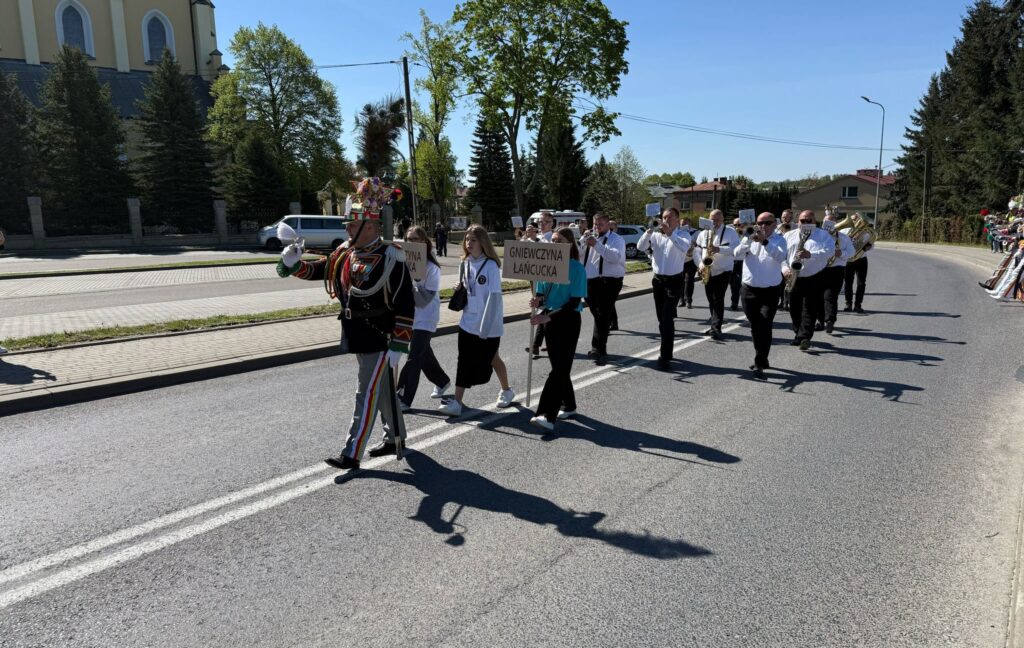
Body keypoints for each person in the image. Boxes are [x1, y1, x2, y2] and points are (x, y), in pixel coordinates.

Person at [276, 178, 412, 471]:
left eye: (353, 226)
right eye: (349, 226)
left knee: (365, 393)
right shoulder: (344, 254)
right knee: (381, 388)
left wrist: (400, 344)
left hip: (381, 338)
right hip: (357, 333)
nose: (347, 230)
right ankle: (395, 437)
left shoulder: (392, 258)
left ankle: (351, 453)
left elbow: (405, 305)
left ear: (372, 227)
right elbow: (318, 271)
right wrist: (292, 264)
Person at [438, 225, 512, 417]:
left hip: (487, 324)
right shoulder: (465, 262)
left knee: (492, 359)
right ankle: (457, 402)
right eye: (467, 239)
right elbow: (468, 289)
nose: (468, 243)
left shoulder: (491, 266)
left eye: (473, 240)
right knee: (463, 360)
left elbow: (494, 298)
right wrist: (458, 287)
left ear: (482, 242)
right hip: (467, 322)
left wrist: (485, 327)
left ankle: (506, 390)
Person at [529, 227, 588, 431]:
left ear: (570, 244)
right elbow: (543, 295)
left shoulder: (577, 268)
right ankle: (569, 405)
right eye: (553, 241)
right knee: (560, 369)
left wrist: (547, 315)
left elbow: (574, 302)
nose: (555, 245)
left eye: (560, 241)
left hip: (569, 320)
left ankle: (546, 414)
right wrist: (538, 300)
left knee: (559, 369)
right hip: (550, 321)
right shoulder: (545, 266)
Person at [396, 226, 452, 410]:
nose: (411, 243)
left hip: (425, 317)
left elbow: (423, 300)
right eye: (408, 239)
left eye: (415, 239)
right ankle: (442, 381)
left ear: (424, 242)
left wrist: (412, 283)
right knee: (423, 353)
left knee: (414, 357)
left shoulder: (431, 267)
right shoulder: (403, 263)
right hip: (409, 316)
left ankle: (403, 397)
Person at [733, 212, 787, 379]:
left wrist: (764, 242)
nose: (763, 226)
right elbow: (736, 254)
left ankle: (759, 362)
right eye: (760, 223)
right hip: (749, 289)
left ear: (774, 223)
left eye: (767, 223)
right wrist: (748, 239)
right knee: (755, 326)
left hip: (770, 291)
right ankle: (763, 357)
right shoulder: (749, 237)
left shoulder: (780, 240)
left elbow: (780, 256)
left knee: (765, 324)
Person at [637, 207, 691, 370]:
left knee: (667, 318)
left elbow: (684, 248)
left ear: (677, 219)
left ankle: (665, 355)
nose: (666, 220)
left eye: (669, 217)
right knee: (662, 320)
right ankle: (668, 349)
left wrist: (670, 234)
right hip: (658, 280)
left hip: (674, 280)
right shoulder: (655, 234)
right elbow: (640, 247)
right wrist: (648, 232)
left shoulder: (683, 235)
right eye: (664, 217)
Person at [782, 210, 833, 351]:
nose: (805, 223)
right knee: (794, 308)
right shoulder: (788, 235)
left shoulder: (823, 235)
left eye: (809, 220)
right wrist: (784, 269)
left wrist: (811, 254)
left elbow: (830, 251)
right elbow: (782, 256)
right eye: (802, 220)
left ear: (814, 221)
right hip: (793, 276)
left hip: (814, 277)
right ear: (798, 221)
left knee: (809, 308)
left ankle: (805, 337)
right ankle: (798, 333)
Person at [580, 212, 626, 363]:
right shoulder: (589, 237)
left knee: (602, 313)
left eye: (600, 224)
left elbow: (614, 257)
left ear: (608, 224)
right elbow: (579, 255)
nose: (596, 227)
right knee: (599, 315)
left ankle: (597, 349)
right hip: (590, 281)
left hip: (610, 281)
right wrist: (582, 242)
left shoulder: (616, 239)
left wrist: (597, 245)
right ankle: (601, 348)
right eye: (594, 224)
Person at [691, 209, 740, 340]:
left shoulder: (730, 232)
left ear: (723, 219)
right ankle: (714, 323)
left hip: (724, 270)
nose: (715, 222)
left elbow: (736, 250)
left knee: (718, 298)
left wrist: (719, 249)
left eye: (718, 219)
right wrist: (700, 265)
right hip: (708, 270)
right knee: (710, 299)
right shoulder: (703, 233)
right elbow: (697, 251)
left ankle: (716, 328)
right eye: (712, 219)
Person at [817, 213, 854, 335]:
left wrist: (841, 253)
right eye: (827, 221)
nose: (829, 224)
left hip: (836, 270)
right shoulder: (818, 236)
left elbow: (852, 252)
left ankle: (830, 321)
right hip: (820, 269)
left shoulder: (843, 237)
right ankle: (820, 321)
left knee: (830, 296)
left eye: (832, 221)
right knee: (818, 296)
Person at [526, 211, 556, 358]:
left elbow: (552, 253)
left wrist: (535, 241)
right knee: (542, 311)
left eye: (545, 222)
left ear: (552, 224)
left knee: (545, 311)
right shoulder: (536, 238)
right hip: (538, 281)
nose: (541, 225)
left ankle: (537, 345)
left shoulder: (554, 238)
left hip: (551, 282)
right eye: (540, 222)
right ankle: (538, 345)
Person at [842, 214, 873, 314]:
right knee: (848, 283)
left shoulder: (866, 233)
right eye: (853, 220)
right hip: (848, 260)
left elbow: (871, 246)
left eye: (857, 219)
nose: (856, 222)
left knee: (861, 283)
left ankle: (858, 305)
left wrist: (866, 247)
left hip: (861, 259)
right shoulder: (844, 232)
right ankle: (848, 304)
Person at [678, 217, 699, 309]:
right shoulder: (677, 232)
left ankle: (688, 300)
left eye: (685, 223)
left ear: (690, 223)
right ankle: (681, 299)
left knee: (689, 280)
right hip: (680, 260)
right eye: (682, 224)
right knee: (680, 281)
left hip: (691, 260)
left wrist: (694, 245)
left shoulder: (696, 232)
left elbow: (700, 244)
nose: (683, 225)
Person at [777, 209, 794, 311]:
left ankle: (789, 301)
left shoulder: (795, 226)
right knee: (780, 282)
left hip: (790, 256)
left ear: (791, 217)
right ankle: (782, 301)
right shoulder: (778, 227)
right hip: (780, 256)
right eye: (783, 217)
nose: (784, 219)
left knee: (789, 280)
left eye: (787, 217)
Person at [729, 217, 744, 310]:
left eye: (739, 225)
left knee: (740, 283)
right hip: (732, 262)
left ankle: (738, 301)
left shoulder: (746, 234)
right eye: (735, 225)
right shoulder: (730, 235)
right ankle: (734, 301)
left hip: (742, 262)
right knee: (733, 283)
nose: (737, 227)